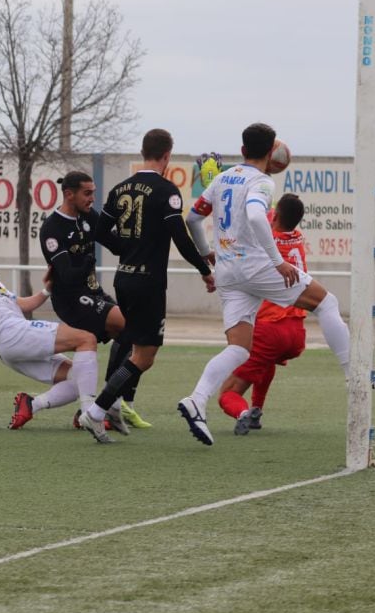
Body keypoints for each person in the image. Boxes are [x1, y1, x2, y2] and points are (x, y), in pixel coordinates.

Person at [182, 123, 375, 446]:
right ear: (271, 154)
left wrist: (205, 254)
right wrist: (277, 261)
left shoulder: (222, 178)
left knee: (239, 348)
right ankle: (357, 376)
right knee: (326, 303)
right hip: (256, 267)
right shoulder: (263, 181)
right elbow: (256, 216)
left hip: (227, 272)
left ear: (241, 150)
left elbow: (193, 219)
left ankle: (197, 399)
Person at [76, 128, 215, 434]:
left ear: (142, 153)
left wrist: (123, 248)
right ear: (167, 155)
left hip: (123, 278)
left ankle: (109, 407)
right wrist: (204, 268)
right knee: (145, 355)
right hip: (149, 282)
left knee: (130, 342)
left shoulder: (120, 189)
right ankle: (96, 411)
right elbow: (180, 235)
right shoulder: (167, 191)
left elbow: (99, 232)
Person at [0, 228, 112, 444]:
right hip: (10, 332)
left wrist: (46, 290)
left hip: (12, 339)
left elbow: (21, 304)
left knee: (78, 378)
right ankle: (90, 415)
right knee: (86, 339)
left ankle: (31, 405)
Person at [33, 170, 152, 434]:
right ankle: (111, 399)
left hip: (94, 293)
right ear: (69, 194)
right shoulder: (52, 229)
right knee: (130, 326)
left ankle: (108, 399)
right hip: (72, 300)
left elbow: (115, 244)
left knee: (135, 333)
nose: (92, 198)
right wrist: (88, 260)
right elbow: (67, 275)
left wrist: (142, 240)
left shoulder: (88, 217)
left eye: (94, 193)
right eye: (87, 193)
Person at [217, 193, 309, 435]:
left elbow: (247, 224)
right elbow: (269, 218)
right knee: (266, 364)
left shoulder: (262, 245)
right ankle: (256, 410)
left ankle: (243, 413)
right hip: (297, 330)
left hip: (270, 328)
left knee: (227, 393)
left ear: (275, 215)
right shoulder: (297, 238)